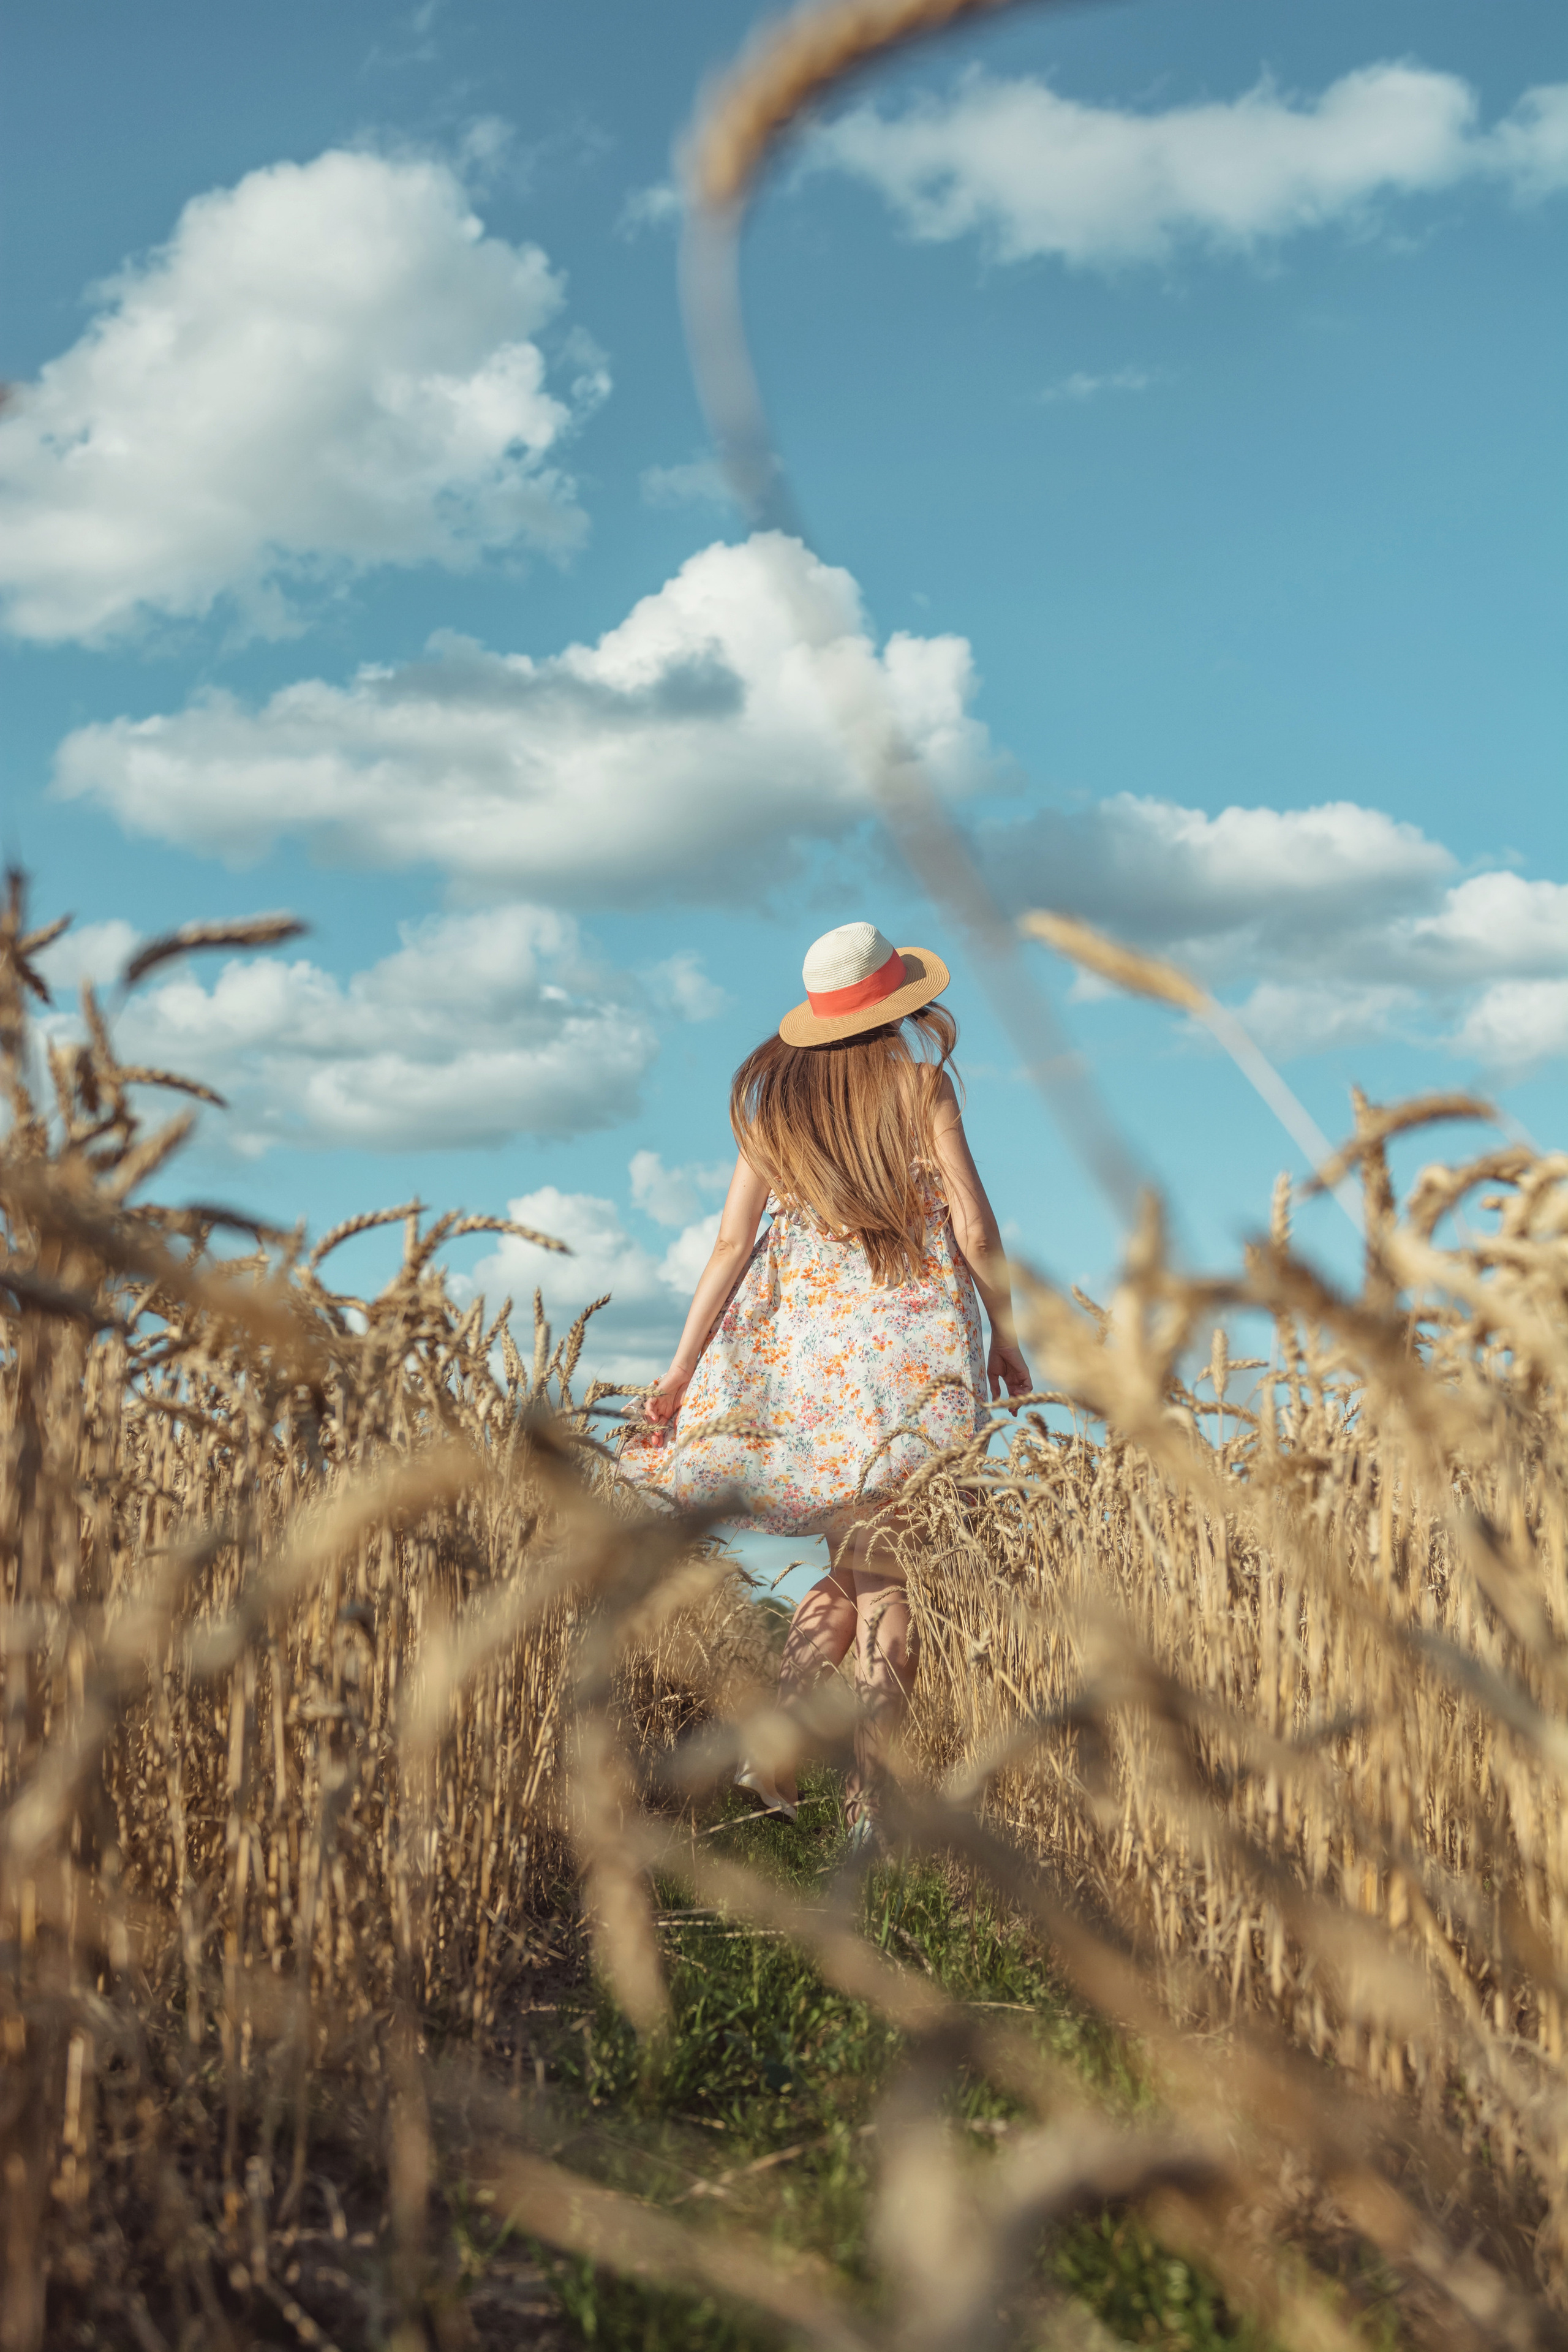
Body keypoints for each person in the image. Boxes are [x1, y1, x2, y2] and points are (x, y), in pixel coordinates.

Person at [619, 921, 1030, 1845]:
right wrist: (1007, 1333)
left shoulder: (772, 1113)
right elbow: (975, 1229)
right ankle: (868, 1810)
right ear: (897, 1005)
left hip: (813, 1377)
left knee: (851, 1572)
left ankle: (770, 1746)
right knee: (891, 1588)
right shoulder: (921, 1088)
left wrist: (682, 1370)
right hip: (914, 1370)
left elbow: (729, 1246)